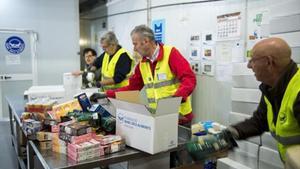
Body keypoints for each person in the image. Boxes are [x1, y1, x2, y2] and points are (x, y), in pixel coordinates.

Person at [91, 25, 196, 125]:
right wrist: (106, 94)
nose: (134, 49)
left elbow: (189, 78)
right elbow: (132, 88)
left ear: (145, 41)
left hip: (179, 116)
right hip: (158, 116)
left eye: (135, 44)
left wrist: (177, 98)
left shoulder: (170, 54)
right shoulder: (142, 64)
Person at [228, 37, 300, 162]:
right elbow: (260, 121)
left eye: (253, 60)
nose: (249, 65)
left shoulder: (298, 92)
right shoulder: (271, 87)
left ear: (268, 62)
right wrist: (230, 134)